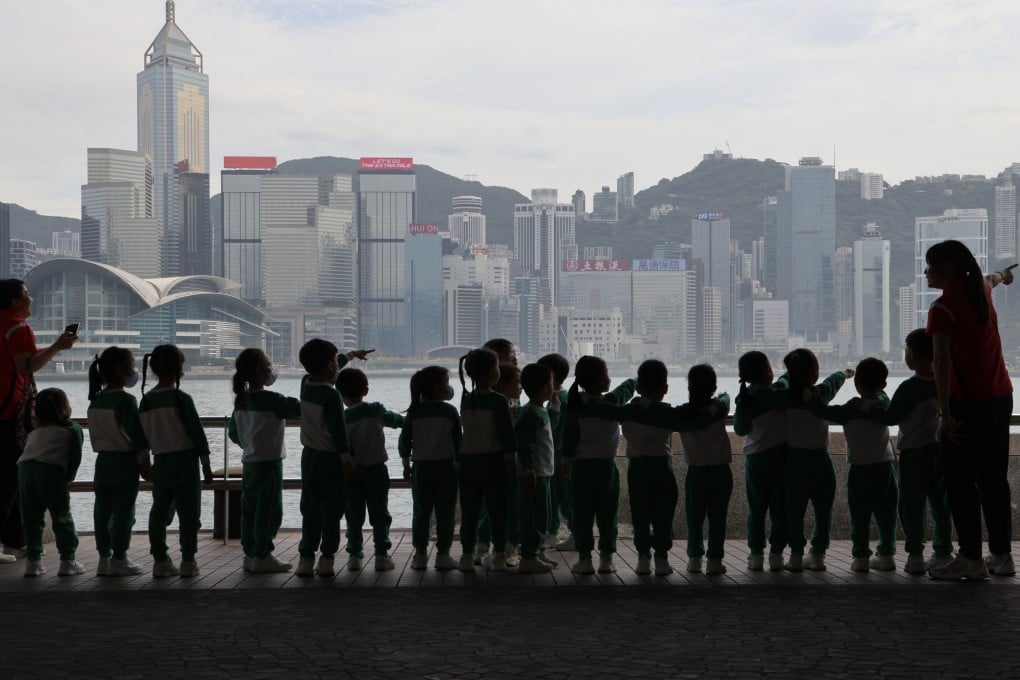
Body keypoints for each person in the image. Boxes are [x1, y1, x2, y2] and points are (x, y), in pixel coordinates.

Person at [925, 241, 1016, 580]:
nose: (926, 272)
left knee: (961, 482)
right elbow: (992, 278)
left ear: (948, 269)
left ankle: (970, 558)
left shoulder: (943, 308)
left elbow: (941, 363)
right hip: (1001, 396)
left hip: (968, 405)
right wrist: (1004, 275)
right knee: (994, 479)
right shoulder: (979, 288)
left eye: (931, 266)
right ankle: (1002, 556)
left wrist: (944, 413)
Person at [861, 330, 952, 574]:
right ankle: (943, 550)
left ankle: (915, 556)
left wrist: (869, 406)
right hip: (938, 450)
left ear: (911, 354)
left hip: (913, 454)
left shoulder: (909, 388)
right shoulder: (942, 381)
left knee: (912, 506)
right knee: (940, 504)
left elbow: (891, 417)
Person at [0, 279, 76, 563]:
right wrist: (57, 346)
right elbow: (27, 365)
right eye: (27, 293)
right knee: (9, 480)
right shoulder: (18, 326)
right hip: (9, 413)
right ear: (15, 301)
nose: (31, 297)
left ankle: (14, 540)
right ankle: (12, 540)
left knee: (12, 479)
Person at [138, 344, 214, 578]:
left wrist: (144, 464)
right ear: (178, 367)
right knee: (189, 515)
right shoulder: (181, 398)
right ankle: (188, 561)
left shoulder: (146, 400)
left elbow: (141, 439)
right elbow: (197, 433)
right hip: (185, 462)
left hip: (159, 462)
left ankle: (160, 560)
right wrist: (206, 465)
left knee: (158, 513)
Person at [819, 358, 899, 573]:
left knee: (860, 517)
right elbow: (885, 402)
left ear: (857, 384)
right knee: (887, 515)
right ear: (883, 384)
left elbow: (822, 410)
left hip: (859, 470)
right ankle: (887, 555)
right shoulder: (882, 406)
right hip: (884, 468)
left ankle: (861, 557)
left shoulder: (849, 410)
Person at [561, 355, 636, 575]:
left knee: (582, 517)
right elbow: (628, 388)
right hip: (606, 469)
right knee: (607, 516)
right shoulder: (611, 402)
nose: (609, 378)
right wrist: (636, 379)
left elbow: (569, 440)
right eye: (606, 374)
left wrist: (564, 466)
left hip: (580, 469)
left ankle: (584, 560)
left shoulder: (574, 406)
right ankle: (606, 558)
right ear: (599, 381)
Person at [229, 348, 301, 574]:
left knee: (249, 511)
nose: (272, 369)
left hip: (249, 463)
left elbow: (233, 434)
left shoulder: (240, 402)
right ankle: (263, 554)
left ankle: (250, 554)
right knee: (269, 511)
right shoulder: (272, 399)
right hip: (269, 463)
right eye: (269, 365)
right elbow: (302, 410)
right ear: (261, 371)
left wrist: (250, 444)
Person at [783, 348, 852, 572]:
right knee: (823, 511)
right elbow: (832, 382)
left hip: (795, 462)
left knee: (794, 511)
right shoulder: (820, 395)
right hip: (821, 461)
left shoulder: (783, 398)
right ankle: (819, 554)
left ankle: (795, 555)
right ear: (814, 374)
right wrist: (844, 373)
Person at [617, 359, 684, 576]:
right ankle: (662, 558)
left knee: (640, 514)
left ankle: (643, 558)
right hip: (662, 468)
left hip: (636, 468)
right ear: (665, 388)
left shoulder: (627, 412)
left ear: (638, 388)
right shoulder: (666, 412)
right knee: (663, 515)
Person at [87, 346, 149, 577]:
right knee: (124, 511)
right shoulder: (126, 400)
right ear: (120, 369)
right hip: (124, 464)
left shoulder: (96, 401)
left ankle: (104, 558)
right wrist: (145, 464)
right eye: (132, 366)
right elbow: (137, 436)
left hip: (102, 463)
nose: (134, 371)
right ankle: (120, 558)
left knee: (102, 512)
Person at [336, 366, 404, 572]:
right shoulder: (375, 409)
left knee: (354, 515)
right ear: (365, 390)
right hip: (376, 470)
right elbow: (398, 421)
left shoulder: (342, 419)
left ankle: (355, 555)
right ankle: (381, 555)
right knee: (380, 514)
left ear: (340, 394)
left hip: (351, 473)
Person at [294, 339, 350, 578]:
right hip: (330, 459)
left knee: (310, 508)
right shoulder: (331, 395)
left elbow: (327, 371)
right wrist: (346, 459)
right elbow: (339, 431)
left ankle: (305, 558)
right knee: (331, 509)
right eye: (336, 361)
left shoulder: (305, 383)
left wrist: (349, 357)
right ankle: (326, 559)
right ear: (329, 365)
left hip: (309, 457)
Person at [456, 348, 515, 572]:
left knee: (469, 513)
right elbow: (506, 434)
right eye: (498, 367)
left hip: (468, 463)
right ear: (492, 372)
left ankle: (467, 556)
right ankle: (499, 555)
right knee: (497, 511)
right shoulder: (499, 400)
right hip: (494, 462)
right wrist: (511, 460)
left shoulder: (466, 399)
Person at [398, 366, 462, 570]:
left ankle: (420, 554)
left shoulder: (415, 412)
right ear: (437, 388)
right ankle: (443, 555)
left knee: (421, 512)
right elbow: (459, 443)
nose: (449, 387)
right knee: (445, 513)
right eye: (447, 383)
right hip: (445, 467)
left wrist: (406, 464)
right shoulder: (450, 411)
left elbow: (404, 440)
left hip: (421, 468)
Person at [17, 388, 84, 577]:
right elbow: (74, 457)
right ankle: (67, 561)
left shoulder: (34, 432)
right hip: (51, 472)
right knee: (61, 517)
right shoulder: (72, 429)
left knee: (31, 519)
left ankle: (33, 562)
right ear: (64, 407)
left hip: (25, 470)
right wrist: (68, 478)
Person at [733, 351, 789, 571]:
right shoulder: (779, 394)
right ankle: (776, 555)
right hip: (781, 457)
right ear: (768, 371)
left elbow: (740, 429)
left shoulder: (746, 399)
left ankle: (756, 554)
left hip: (755, 458)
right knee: (779, 508)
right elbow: (784, 383)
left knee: (756, 509)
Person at [677, 364, 732, 576]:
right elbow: (726, 398)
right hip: (721, 471)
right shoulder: (720, 409)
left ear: (689, 387)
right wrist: (720, 398)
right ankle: (715, 560)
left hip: (696, 472)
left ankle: (694, 559)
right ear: (713, 387)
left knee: (694, 518)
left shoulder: (683, 414)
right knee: (718, 518)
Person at [515, 363, 557, 574]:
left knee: (543, 514)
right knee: (533, 515)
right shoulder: (531, 413)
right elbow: (525, 444)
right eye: (551, 384)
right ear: (543, 389)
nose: (554, 388)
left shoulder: (540, 411)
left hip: (544, 472)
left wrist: (556, 409)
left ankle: (537, 550)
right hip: (535, 473)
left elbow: (549, 433)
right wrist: (529, 468)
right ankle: (529, 556)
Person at [536, 353, 572, 549]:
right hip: (558, 455)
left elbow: (554, 429)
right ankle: (553, 532)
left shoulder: (560, 400)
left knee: (561, 498)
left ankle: (570, 532)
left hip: (559, 456)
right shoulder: (562, 398)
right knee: (556, 497)